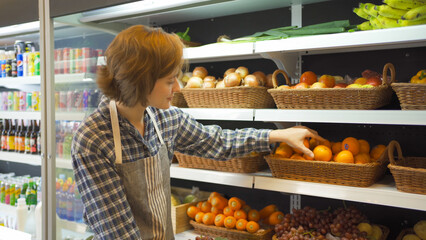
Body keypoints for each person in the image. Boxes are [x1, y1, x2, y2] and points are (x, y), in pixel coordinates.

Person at [71, 25, 325, 240]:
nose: (179, 88)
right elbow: (117, 231)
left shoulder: (164, 119)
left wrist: (277, 136)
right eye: (170, 80)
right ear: (141, 80)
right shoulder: (94, 138)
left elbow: (217, 141)